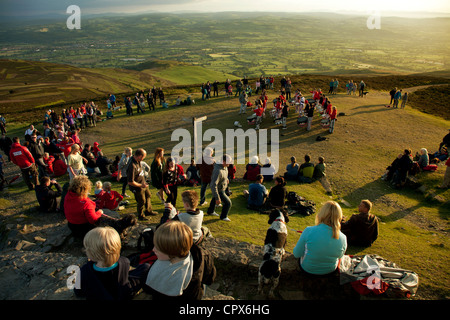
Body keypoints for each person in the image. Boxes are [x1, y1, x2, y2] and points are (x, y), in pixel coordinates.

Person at [143, 220, 216, 300]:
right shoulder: (202, 255)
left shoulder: (159, 269)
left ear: (172, 252)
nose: (153, 250)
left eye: (158, 248)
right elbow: (209, 279)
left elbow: (149, 289)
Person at [74, 227, 150, 300]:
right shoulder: (124, 262)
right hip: (123, 294)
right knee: (145, 267)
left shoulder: (85, 270)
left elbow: (78, 292)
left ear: (91, 253)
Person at [64, 175, 136, 238]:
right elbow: (93, 220)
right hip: (83, 227)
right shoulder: (86, 203)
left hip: (71, 224)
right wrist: (99, 212)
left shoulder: (68, 195)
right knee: (108, 216)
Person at [293, 201, 347, 275]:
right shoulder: (343, 238)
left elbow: (297, 254)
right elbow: (340, 256)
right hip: (330, 271)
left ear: (322, 213)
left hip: (307, 269)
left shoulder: (309, 230)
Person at [127, 148, 158, 220]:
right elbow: (130, 182)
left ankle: (148, 210)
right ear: (140, 156)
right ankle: (140, 216)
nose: (143, 159)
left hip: (143, 183)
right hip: (137, 186)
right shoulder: (132, 165)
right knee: (141, 201)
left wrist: (144, 182)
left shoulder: (137, 160)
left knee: (148, 195)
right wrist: (141, 185)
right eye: (143, 157)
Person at [207, 154, 232, 221]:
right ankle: (223, 216)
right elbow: (213, 184)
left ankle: (210, 211)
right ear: (223, 161)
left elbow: (224, 175)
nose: (230, 163)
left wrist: (226, 179)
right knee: (228, 203)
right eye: (228, 161)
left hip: (222, 187)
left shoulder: (225, 167)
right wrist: (217, 197)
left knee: (213, 199)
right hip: (219, 190)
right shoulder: (217, 171)